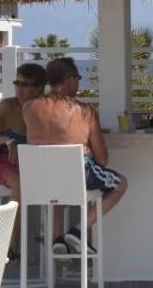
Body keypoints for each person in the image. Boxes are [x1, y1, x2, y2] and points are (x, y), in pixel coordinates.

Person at [23, 57, 128, 253]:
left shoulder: (29, 108)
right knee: (121, 184)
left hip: (41, 181)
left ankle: (57, 238)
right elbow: (103, 159)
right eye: (78, 78)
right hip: (76, 178)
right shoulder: (85, 112)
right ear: (69, 79)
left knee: (54, 187)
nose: (79, 83)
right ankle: (79, 230)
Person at [0, 62, 47, 259]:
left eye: (25, 84)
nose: (19, 89)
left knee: (58, 183)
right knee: (20, 184)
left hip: (36, 165)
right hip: (7, 164)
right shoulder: (8, 106)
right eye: (17, 83)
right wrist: (6, 139)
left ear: (39, 88)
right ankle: (11, 247)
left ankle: (56, 244)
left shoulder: (46, 108)